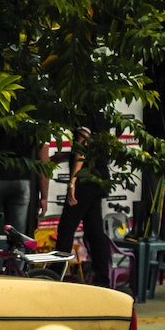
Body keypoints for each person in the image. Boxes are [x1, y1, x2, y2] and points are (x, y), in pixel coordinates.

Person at [54, 122, 111, 287]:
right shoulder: (101, 114)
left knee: (66, 227)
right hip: (99, 176)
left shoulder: (85, 110)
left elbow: (83, 142)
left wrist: (73, 180)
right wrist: (65, 156)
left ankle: (57, 274)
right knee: (94, 230)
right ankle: (102, 278)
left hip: (86, 178)